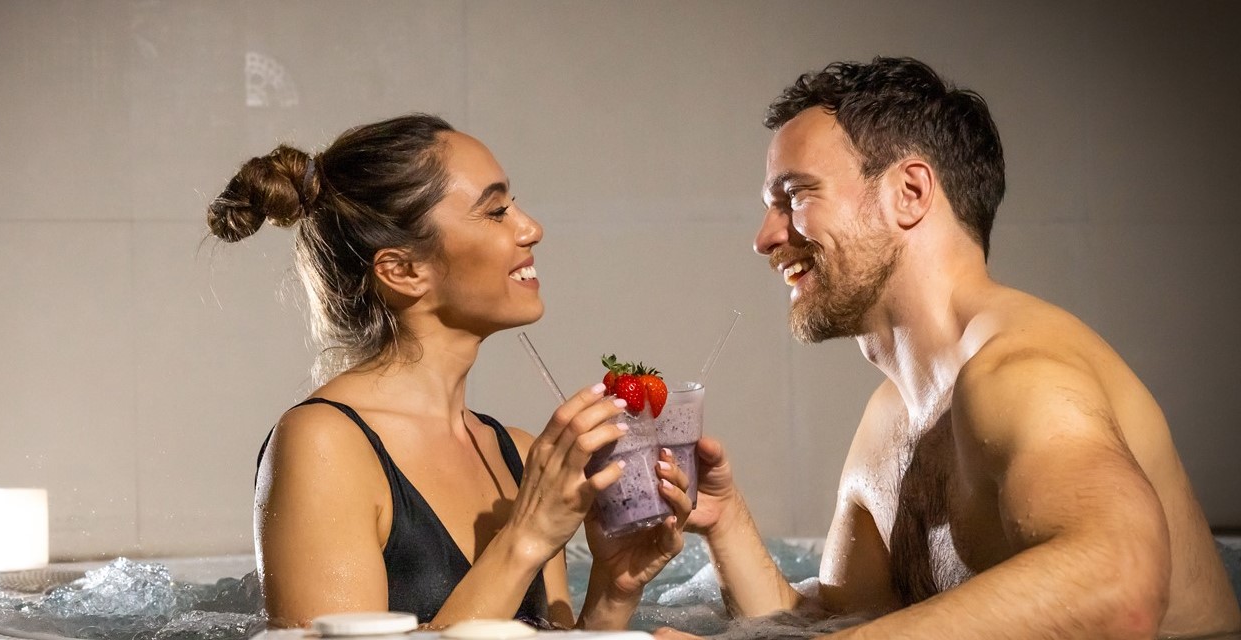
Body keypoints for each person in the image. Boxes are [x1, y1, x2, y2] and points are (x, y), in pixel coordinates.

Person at [660, 57, 1241, 639]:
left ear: (909, 193)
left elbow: (1122, 589)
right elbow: (835, 626)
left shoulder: (1022, 373)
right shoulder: (889, 422)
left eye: (794, 195)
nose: (765, 238)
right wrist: (725, 522)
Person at [208, 114, 693, 629]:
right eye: (496, 211)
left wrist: (613, 590)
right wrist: (526, 538)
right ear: (403, 270)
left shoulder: (519, 454)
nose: (532, 228)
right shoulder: (323, 444)